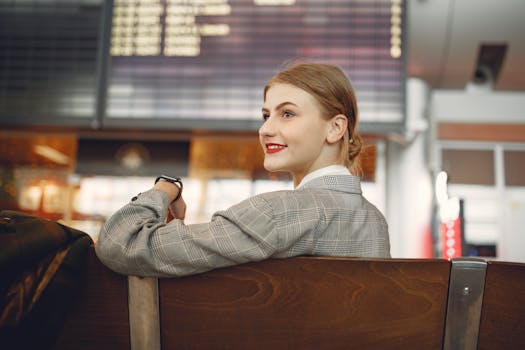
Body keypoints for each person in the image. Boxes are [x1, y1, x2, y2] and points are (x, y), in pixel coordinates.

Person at [95, 62, 390, 277]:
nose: (265, 129)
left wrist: (164, 188)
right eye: (265, 115)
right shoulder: (376, 222)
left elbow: (122, 244)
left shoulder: (279, 212)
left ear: (336, 128)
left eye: (287, 114)